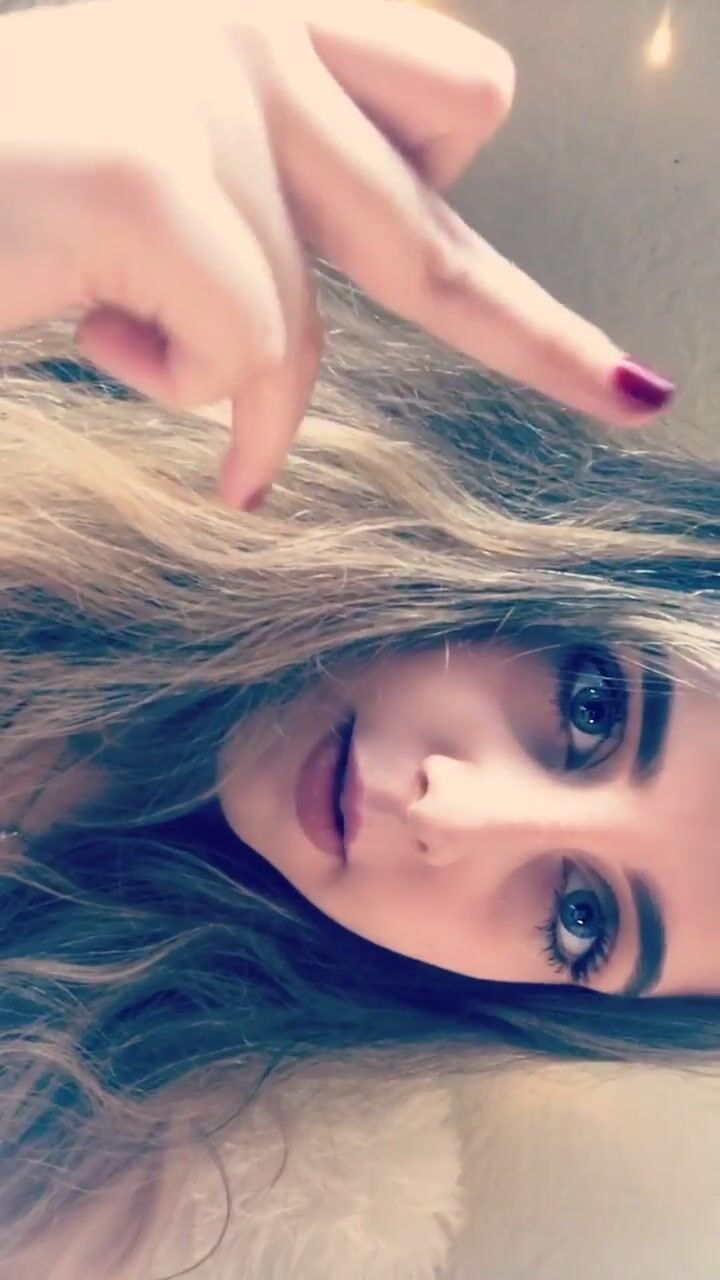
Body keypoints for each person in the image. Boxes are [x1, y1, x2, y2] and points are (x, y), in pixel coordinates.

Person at [0, 1, 717, 1275]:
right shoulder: (136, 291)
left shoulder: (136, 1172)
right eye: (595, 706)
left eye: (581, 918)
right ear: (556, 537)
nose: (454, 813)